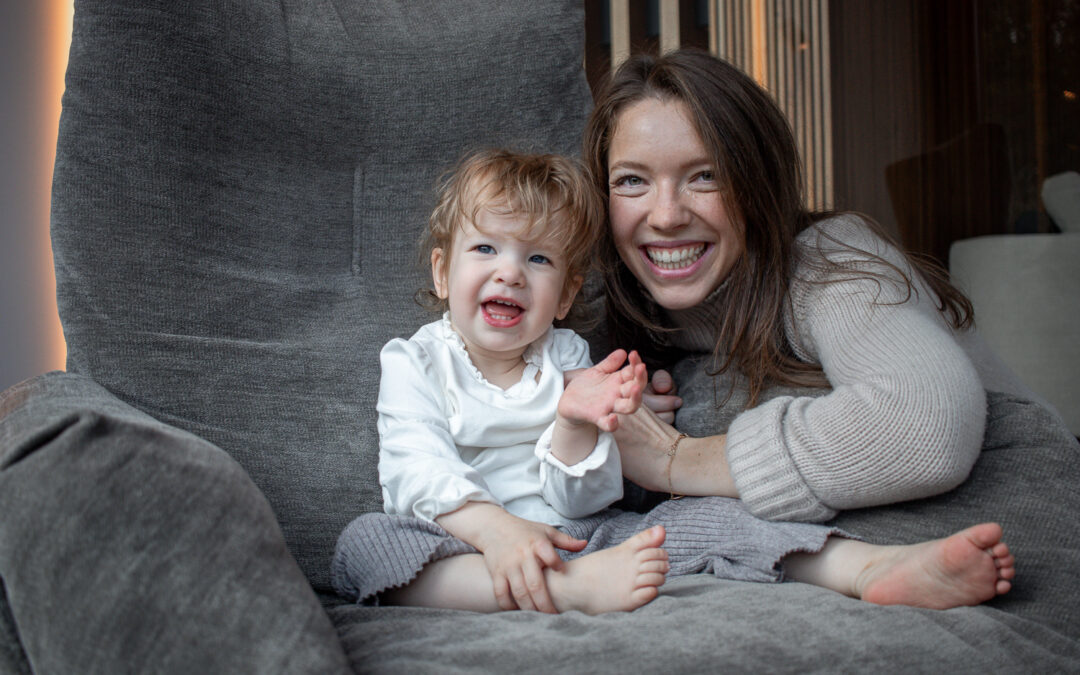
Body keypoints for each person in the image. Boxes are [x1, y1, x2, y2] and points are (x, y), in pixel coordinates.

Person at [331, 148, 1015, 616]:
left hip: (586, 538)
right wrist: (499, 532)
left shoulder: (569, 357)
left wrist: (582, 424)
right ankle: (565, 592)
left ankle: (866, 568)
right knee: (367, 545)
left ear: (564, 295)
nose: (509, 272)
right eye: (486, 248)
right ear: (443, 272)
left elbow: (584, 496)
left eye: (537, 259)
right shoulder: (416, 362)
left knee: (712, 519)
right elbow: (414, 471)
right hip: (467, 544)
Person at [582, 49, 999, 524]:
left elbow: (928, 425)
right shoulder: (609, 304)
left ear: (758, 183)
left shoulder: (828, 260)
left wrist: (671, 459)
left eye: (706, 176)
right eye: (631, 181)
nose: (666, 216)